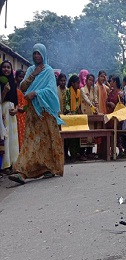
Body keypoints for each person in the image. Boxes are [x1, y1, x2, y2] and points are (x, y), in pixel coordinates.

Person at [9, 43, 64, 185]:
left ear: (44, 54)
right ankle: (22, 172)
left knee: (46, 141)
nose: (36, 56)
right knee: (30, 141)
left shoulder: (49, 71)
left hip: (45, 112)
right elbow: (22, 87)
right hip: (33, 112)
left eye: (39, 53)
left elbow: (52, 91)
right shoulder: (31, 70)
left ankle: (48, 168)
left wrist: (37, 93)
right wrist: (33, 75)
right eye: (34, 53)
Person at [1, 60, 19, 173]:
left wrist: (16, 110)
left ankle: (14, 163)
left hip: (12, 114)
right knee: (5, 137)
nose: (6, 69)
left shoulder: (13, 83)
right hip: (2, 111)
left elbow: (16, 101)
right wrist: (4, 91)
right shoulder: (1, 83)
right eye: (4, 67)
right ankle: (5, 165)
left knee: (13, 138)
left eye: (8, 67)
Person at [15, 70, 27, 149]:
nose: (22, 78)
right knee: (18, 133)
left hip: (24, 114)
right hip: (17, 114)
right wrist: (19, 108)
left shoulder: (26, 88)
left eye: (23, 77)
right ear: (16, 77)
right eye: (20, 76)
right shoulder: (13, 87)